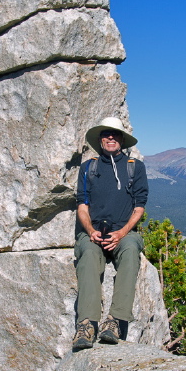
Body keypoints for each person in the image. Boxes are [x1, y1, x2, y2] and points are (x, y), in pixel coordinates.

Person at [72, 117, 148, 351]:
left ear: (122, 139)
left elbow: (139, 206)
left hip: (124, 232)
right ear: (100, 139)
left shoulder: (134, 166)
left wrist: (123, 232)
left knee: (131, 251)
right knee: (87, 258)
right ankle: (86, 324)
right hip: (94, 231)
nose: (111, 138)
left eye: (115, 134)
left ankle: (115, 320)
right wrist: (91, 231)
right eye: (106, 134)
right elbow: (82, 205)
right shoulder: (89, 167)